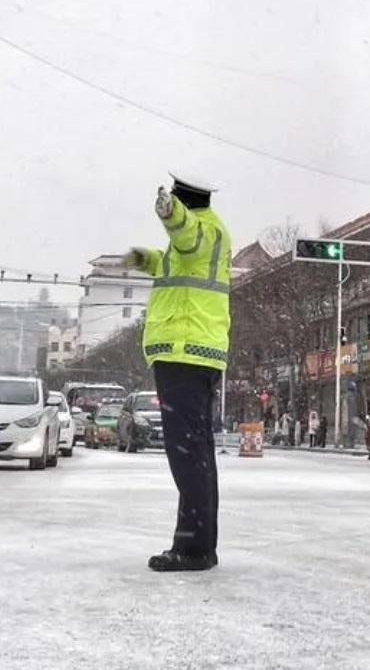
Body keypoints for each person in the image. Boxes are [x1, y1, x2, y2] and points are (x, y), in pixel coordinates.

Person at [122, 172, 231, 572]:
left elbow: (188, 236)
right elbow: (175, 258)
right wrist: (140, 258)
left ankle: (194, 549)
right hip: (194, 354)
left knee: (187, 454)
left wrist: (171, 213)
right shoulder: (203, 237)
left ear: (188, 197)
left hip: (185, 351)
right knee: (196, 454)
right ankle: (199, 544)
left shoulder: (203, 228)